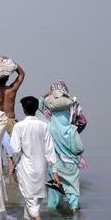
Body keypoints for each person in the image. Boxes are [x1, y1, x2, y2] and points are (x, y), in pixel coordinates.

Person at [40, 83, 85, 215]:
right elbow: (79, 149)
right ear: (67, 113)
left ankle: (54, 213)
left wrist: (43, 97)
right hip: (70, 166)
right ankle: (74, 210)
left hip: (54, 165)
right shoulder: (71, 130)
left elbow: (38, 111)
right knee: (72, 191)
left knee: (54, 193)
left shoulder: (48, 126)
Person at [10, 96, 58, 220]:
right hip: (42, 168)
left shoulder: (19, 126)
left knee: (30, 201)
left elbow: (15, 149)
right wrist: (54, 171)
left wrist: (14, 163)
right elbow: (50, 149)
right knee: (34, 201)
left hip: (26, 168)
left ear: (24, 110)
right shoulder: (44, 125)